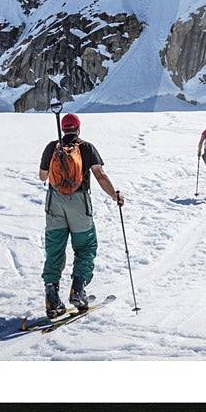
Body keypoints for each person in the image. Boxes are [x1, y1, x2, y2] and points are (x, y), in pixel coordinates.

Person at [39, 112, 124, 318]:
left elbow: (42, 177)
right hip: (79, 203)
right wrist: (115, 195)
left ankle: (52, 299)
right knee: (85, 246)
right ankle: (78, 290)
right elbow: (100, 175)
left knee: (55, 248)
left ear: (63, 128)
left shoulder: (52, 147)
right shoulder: (86, 148)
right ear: (78, 128)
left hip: (54, 202)